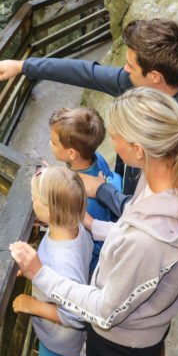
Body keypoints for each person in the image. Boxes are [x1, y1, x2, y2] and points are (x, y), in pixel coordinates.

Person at [10, 88, 178, 356]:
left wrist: (40, 274)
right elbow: (134, 227)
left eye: (116, 136)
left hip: (121, 340)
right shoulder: (171, 183)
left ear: (137, 149)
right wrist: (95, 226)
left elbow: (104, 310)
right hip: (152, 327)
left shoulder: (148, 240)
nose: (111, 143)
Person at [0, 18, 178, 218]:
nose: (124, 69)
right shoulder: (140, 84)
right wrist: (23, 66)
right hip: (123, 186)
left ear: (155, 76)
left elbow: (157, 213)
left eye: (130, 65)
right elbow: (86, 73)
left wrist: (102, 190)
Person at [12, 166, 93, 356]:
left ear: (49, 210)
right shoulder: (74, 230)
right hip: (70, 342)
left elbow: (76, 316)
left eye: (34, 199)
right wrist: (33, 269)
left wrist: (32, 305)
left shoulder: (62, 259)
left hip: (59, 337)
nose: (32, 202)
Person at [48, 107, 122, 273]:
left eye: (53, 142)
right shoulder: (97, 158)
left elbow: (94, 242)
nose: (49, 144)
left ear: (71, 153)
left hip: (95, 259)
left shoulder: (81, 198)